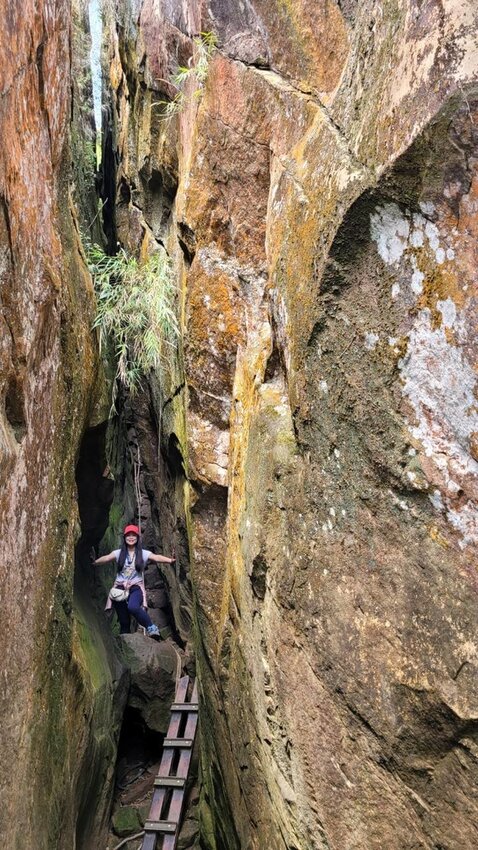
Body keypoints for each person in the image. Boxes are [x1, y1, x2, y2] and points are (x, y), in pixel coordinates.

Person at [93, 524, 175, 638]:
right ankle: (125, 641)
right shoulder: (119, 553)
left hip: (135, 587)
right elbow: (106, 558)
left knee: (133, 607)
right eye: (128, 535)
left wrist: (170, 560)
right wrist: (95, 562)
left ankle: (151, 627)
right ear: (124, 538)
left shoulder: (143, 553)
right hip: (120, 588)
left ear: (137, 538)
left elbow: (156, 557)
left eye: (133, 535)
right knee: (124, 620)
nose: (131, 537)